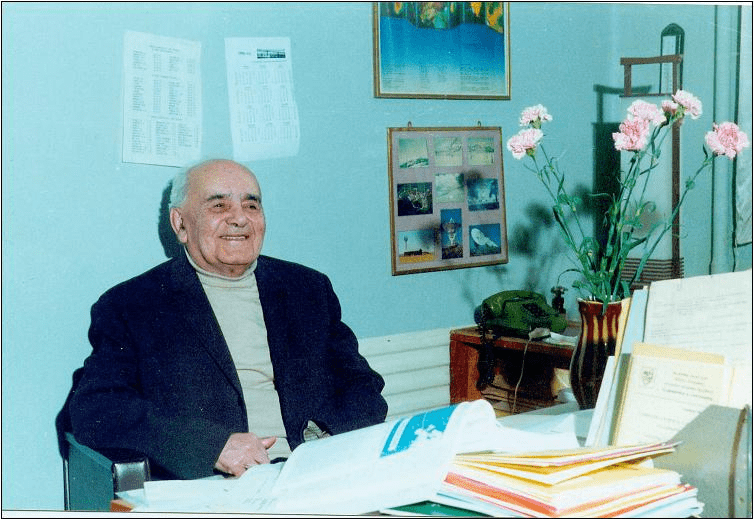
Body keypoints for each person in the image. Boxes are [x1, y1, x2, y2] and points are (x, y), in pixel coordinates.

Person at [61, 159, 387, 479]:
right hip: (217, 484)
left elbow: (362, 386)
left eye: (251, 205)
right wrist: (213, 447)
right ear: (180, 224)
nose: (240, 219)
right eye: (219, 206)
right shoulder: (132, 305)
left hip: (319, 473)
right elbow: (95, 408)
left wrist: (330, 443)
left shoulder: (308, 288)